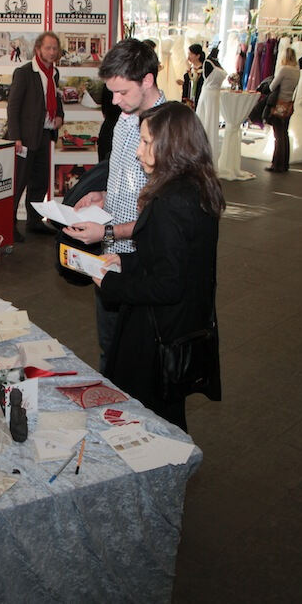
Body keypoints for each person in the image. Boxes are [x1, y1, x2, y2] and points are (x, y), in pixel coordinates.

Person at [94, 102, 224, 430]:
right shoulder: (197, 187)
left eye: (145, 142)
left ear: (170, 146)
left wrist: (110, 282)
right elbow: (178, 258)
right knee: (166, 414)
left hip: (156, 332)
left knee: (144, 416)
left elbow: (168, 283)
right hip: (181, 324)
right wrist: (126, 259)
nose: (138, 152)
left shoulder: (169, 202)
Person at [63, 38, 165, 370]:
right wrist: (103, 196)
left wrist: (107, 230)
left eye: (122, 92)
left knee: (141, 353)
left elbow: (164, 217)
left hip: (142, 258)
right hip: (110, 246)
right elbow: (129, 181)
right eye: (112, 92)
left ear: (147, 80)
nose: (115, 100)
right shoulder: (123, 118)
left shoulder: (169, 130)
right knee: (109, 342)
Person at [7, 31, 64, 242]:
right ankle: (9, 225)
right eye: (48, 48)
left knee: (39, 181)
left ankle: (33, 222)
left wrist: (60, 115)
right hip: (24, 137)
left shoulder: (54, 74)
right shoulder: (24, 72)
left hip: (44, 134)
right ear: (38, 49)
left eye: (55, 48)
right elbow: (13, 108)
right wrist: (16, 138)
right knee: (19, 183)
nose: (52, 52)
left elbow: (56, 99)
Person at [264, 47, 299, 173]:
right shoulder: (297, 71)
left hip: (279, 104)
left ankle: (277, 164)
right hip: (289, 104)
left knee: (278, 135)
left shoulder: (284, 69)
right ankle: (284, 163)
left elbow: (273, 86)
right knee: (284, 134)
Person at [195, 46, 227, 162]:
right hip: (208, 96)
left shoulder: (216, 61)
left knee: (212, 124)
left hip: (214, 96)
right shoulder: (208, 62)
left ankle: (210, 156)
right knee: (206, 123)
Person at [178, 44, 204, 109]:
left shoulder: (203, 71)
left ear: (198, 56)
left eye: (191, 54)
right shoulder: (189, 71)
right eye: (188, 54)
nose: (188, 57)